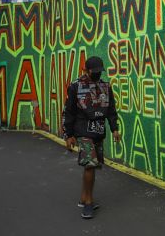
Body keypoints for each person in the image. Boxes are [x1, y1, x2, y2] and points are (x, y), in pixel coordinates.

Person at [63, 56, 121, 219]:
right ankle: (88, 203)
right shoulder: (75, 87)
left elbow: (111, 109)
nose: (96, 74)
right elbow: (69, 112)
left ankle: (84, 197)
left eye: (99, 72)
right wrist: (68, 134)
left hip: (98, 130)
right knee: (89, 164)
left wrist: (114, 128)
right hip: (83, 131)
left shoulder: (105, 86)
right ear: (85, 70)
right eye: (93, 72)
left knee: (92, 166)